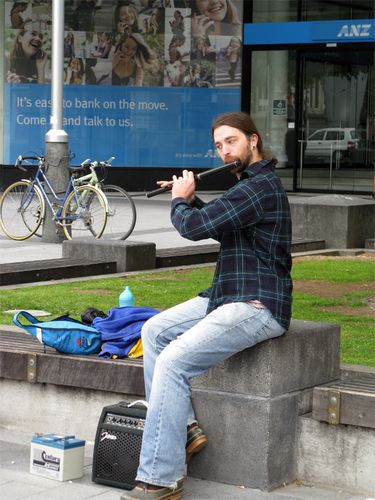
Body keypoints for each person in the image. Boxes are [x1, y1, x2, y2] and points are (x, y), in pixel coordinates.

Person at [120, 111, 293, 500]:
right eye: (218, 145)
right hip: (227, 296)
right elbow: (217, 220)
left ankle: (160, 479)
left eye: (231, 141)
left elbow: (195, 227)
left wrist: (181, 203)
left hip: (257, 303)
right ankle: (184, 429)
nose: (224, 151)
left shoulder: (260, 187)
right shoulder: (247, 189)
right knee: (154, 331)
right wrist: (189, 197)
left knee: (173, 361)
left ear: (253, 141)